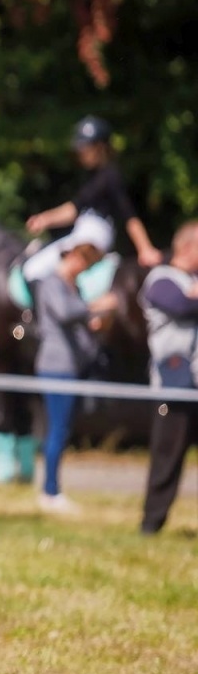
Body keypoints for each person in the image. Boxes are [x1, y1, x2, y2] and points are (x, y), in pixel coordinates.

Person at [32, 215, 118, 514]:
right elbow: (66, 314)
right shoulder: (52, 283)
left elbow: (77, 321)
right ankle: (50, 491)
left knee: (62, 429)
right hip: (56, 366)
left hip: (71, 366)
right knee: (56, 430)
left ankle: (52, 488)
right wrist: (97, 305)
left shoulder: (72, 286)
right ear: (74, 255)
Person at [27, 115, 162, 269]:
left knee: (34, 269)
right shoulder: (90, 175)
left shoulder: (110, 176)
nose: (81, 152)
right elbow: (74, 209)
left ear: (100, 147)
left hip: (94, 235)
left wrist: (145, 248)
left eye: (86, 147)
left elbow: (129, 215)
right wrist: (44, 219)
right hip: (83, 230)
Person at [140, 221, 198, 535]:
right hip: (171, 386)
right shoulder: (161, 279)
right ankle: (152, 523)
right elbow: (181, 305)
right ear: (188, 246)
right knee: (167, 456)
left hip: (195, 384)